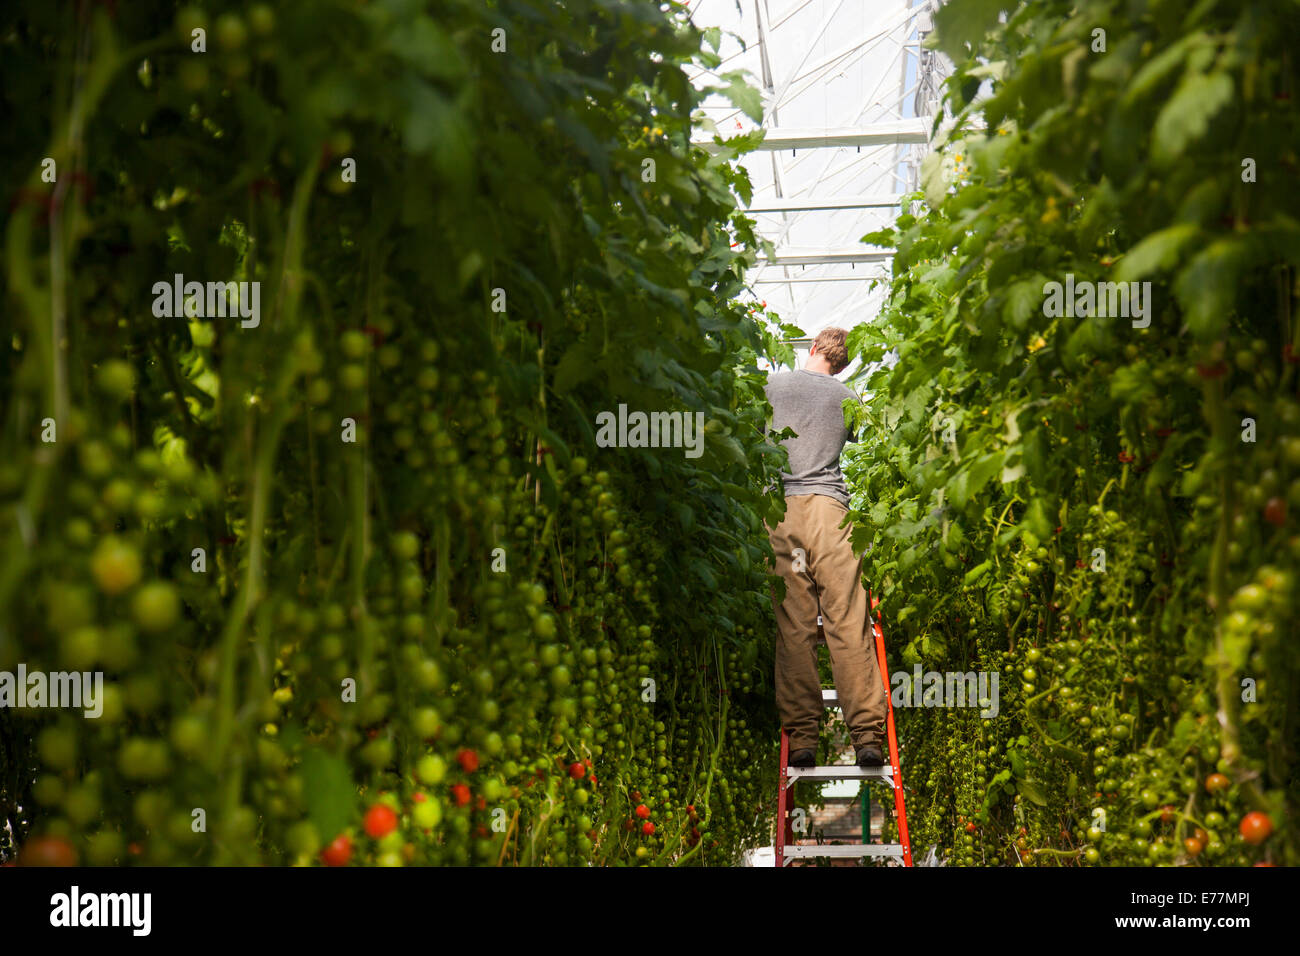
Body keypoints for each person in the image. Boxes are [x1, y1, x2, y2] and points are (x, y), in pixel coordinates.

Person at [764, 327, 886, 769]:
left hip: (781, 512)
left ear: (813, 347)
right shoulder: (848, 397)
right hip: (831, 514)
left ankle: (803, 741)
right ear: (843, 362)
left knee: (794, 626)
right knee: (846, 621)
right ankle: (868, 737)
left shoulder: (772, 386)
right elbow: (861, 442)